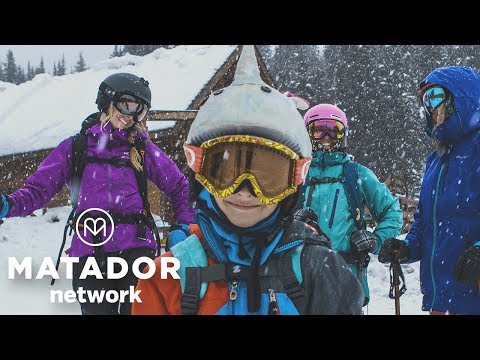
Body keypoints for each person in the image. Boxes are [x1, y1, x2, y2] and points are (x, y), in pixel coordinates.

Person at [132, 45, 364, 315]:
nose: (245, 192)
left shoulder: (316, 268)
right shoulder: (169, 275)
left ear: (293, 181)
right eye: (226, 173)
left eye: (267, 176)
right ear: (202, 174)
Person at [0, 72, 195, 315]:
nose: (131, 116)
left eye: (140, 111)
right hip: (90, 254)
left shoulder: (142, 150)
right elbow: (39, 190)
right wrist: (9, 204)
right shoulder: (77, 147)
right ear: (107, 102)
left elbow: (180, 186)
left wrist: (185, 225)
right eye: (127, 105)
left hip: (136, 250)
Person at [378, 66, 480, 315]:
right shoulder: (436, 160)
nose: (430, 107)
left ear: (461, 97)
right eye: (425, 100)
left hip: (473, 294)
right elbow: (426, 219)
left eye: (435, 96)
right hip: (441, 297)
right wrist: (407, 247)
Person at [301, 103, 403, 307]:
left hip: (346, 274)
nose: (326, 137)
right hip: (298, 273)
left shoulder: (356, 174)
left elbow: (392, 212)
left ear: (343, 135)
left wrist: (376, 239)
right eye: (319, 130)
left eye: (334, 130)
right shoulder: (296, 174)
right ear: (307, 134)